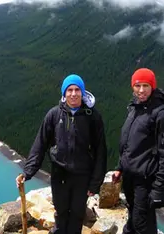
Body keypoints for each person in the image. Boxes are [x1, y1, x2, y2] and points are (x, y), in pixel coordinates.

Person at [16, 74, 107, 234]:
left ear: (83, 92)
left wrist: (95, 183)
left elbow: (100, 151)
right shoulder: (54, 115)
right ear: (64, 94)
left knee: (77, 215)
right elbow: (40, 144)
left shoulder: (92, 117)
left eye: (77, 90)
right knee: (61, 212)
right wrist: (28, 172)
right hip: (60, 175)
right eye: (69, 90)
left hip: (82, 175)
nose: (73, 94)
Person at [112, 68, 164, 234]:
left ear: (153, 87)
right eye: (137, 86)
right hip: (130, 176)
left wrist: (158, 189)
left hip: (146, 179)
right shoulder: (135, 107)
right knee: (132, 216)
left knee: (142, 222)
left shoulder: (159, 113)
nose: (141, 90)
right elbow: (128, 142)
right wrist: (120, 167)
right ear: (132, 87)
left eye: (146, 86)